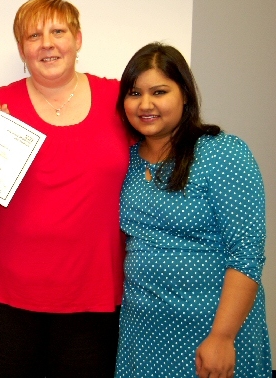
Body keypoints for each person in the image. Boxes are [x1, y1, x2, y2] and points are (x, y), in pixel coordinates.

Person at [0, 0, 130, 377]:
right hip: (5, 294)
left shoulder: (118, 99)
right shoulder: (2, 102)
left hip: (94, 292)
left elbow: (156, 161)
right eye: (33, 35)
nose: (47, 43)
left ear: (77, 38)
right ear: (21, 49)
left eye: (58, 31)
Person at [115, 42, 272, 377]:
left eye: (159, 91)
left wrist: (223, 336)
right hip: (143, 332)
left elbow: (247, 253)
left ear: (184, 94)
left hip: (213, 330)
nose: (145, 104)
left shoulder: (221, 153)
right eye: (134, 93)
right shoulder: (124, 161)